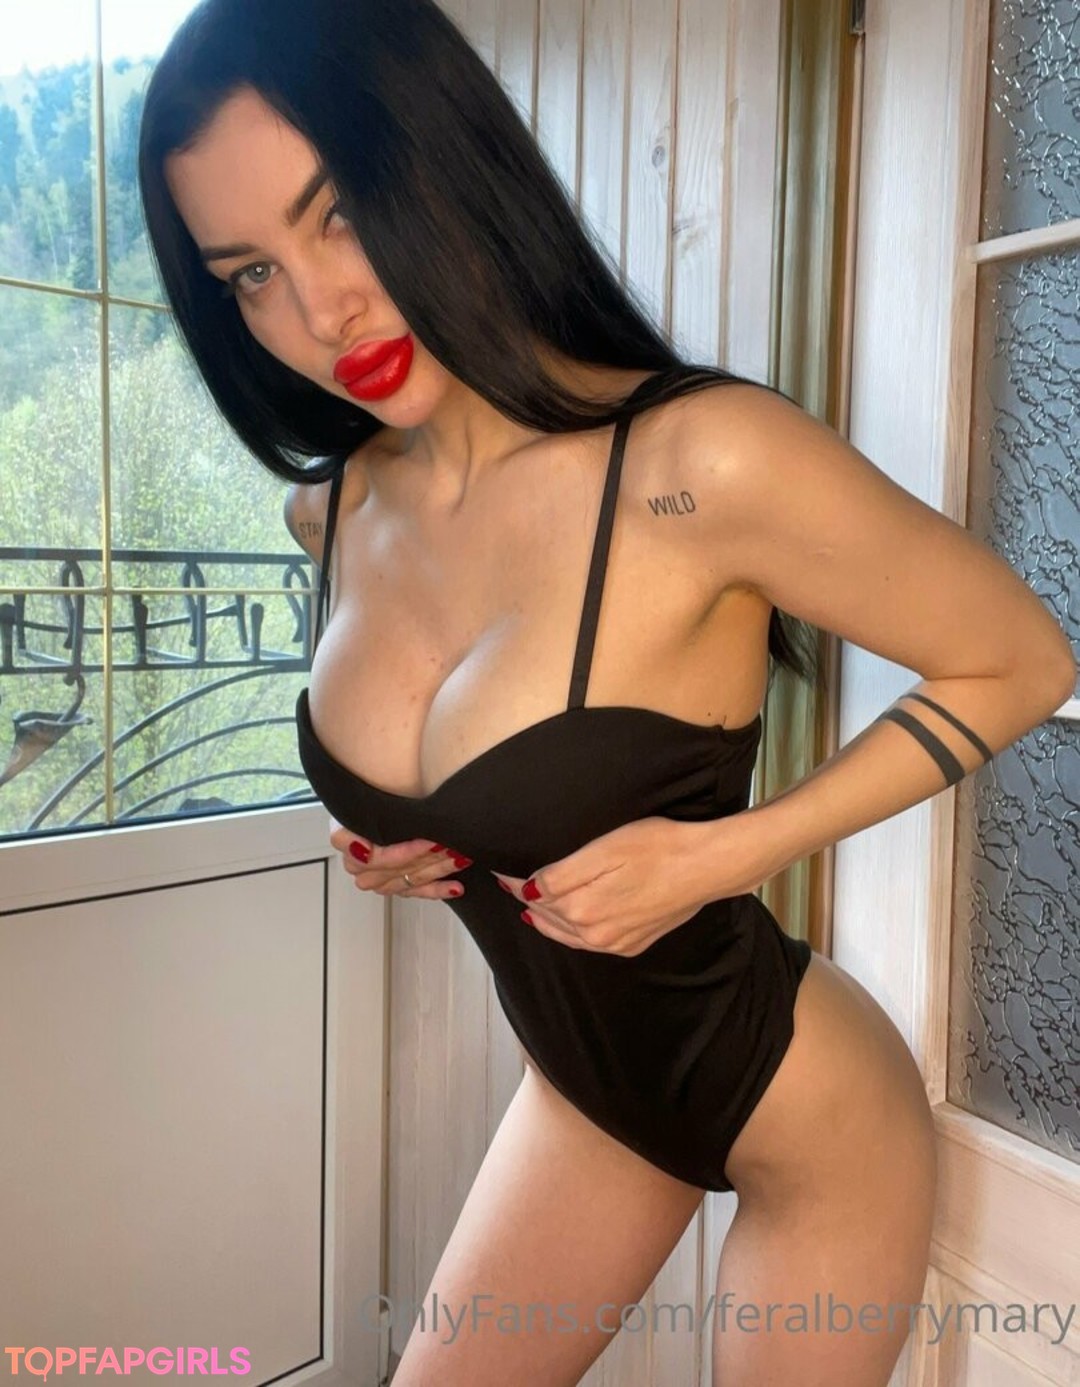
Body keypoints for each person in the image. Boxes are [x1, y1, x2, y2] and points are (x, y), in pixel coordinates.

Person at [138, 1, 1076, 1382]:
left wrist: (721, 855)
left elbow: (1023, 660)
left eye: (339, 212)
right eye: (251, 274)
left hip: (804, 1110)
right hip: (590, 1097)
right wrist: (407, 839)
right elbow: (478, 764)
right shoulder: (330, 516)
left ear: (444, 157)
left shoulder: (697, 463)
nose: (321, 311)